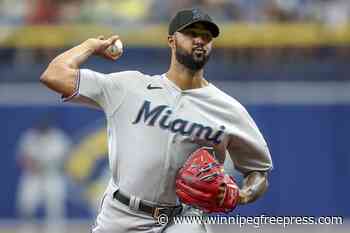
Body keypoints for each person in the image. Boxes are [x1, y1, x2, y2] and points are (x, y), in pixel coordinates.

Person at [40, 8, 273, 233]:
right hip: (122, 214)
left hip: (184, 219)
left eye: (206, 35)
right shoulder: (129, 86)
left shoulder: (229, 109)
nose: (200, 40)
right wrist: (90, 45)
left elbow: (259, 171)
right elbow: (54, 75)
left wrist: (243, 195)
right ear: (171, 40)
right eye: (192, 33)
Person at [16, 118, 71, 233]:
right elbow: (22, 158)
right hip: (33, 175)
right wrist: (31, 164)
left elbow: (66, 159)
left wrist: (48, 165)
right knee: (27, 205)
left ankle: (55, 230)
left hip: (53, 175)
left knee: (55, 207)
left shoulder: (58, 138)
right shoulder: (30, 137)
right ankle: (27, 229)